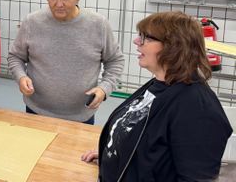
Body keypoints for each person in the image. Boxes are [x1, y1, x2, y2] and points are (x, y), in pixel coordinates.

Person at [81, 11, 232, 181]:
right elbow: (147, 140)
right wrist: (115, 155)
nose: (137, 41)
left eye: (147, 38)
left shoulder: (197, 108)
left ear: (174, 46)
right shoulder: (159, 84)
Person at [7, 0, 124, 124]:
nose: (59, 4)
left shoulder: (98, 25)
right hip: (36, 111)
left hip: (81, 115)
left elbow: (115, 61)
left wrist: (104, 88)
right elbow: (15, 57)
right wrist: (21, 77)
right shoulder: (32, 22)